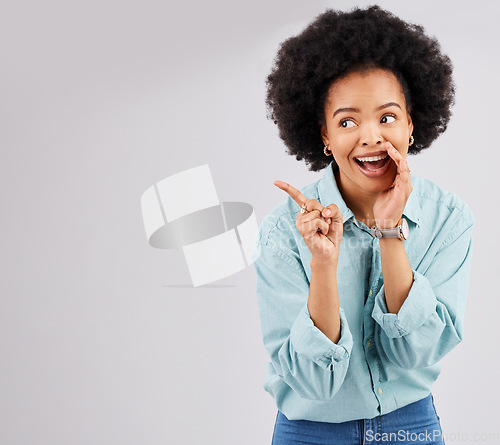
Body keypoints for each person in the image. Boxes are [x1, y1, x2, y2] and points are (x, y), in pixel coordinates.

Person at [252, 5, 474, 445]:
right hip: (309, 432)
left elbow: (417, 353)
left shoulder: (448, 218)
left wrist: (391, 232)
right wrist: (322, 263)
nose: (371, 136)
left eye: (387, 117)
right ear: (324, 136)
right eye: (348, 121)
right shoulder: (284, 232)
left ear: (411, 125)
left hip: (410, 427)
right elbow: (314, 383)